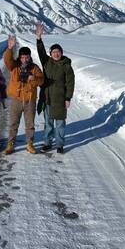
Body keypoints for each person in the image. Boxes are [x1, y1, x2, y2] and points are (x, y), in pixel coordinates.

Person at [35, 24, 75, 154]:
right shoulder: (47, 62)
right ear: (51, 54)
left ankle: (60, 144)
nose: (56, 54)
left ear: (61, 53)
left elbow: (70, 82)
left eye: (58, 52)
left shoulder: (66, 65)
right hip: (48, 99)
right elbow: (41, 52)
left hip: (60, 99)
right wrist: (39, 38)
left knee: (60, 124)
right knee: (48, 123)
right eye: (53, 52)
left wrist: (68, 98)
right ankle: (47, 143)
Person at [3, 35, 44, 155]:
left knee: (30, 124)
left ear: (29, 57)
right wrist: (10, 48)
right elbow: (7, 61)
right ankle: (11, 144)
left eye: (27, 57)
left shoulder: (34, 68)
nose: (25, 59)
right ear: (19, 57)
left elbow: (41, 80)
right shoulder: (14, 66)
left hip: (30, 100)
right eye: (22, 57)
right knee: (13, 123)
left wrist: (33, 78)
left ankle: (29, 144)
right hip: (16, 99)